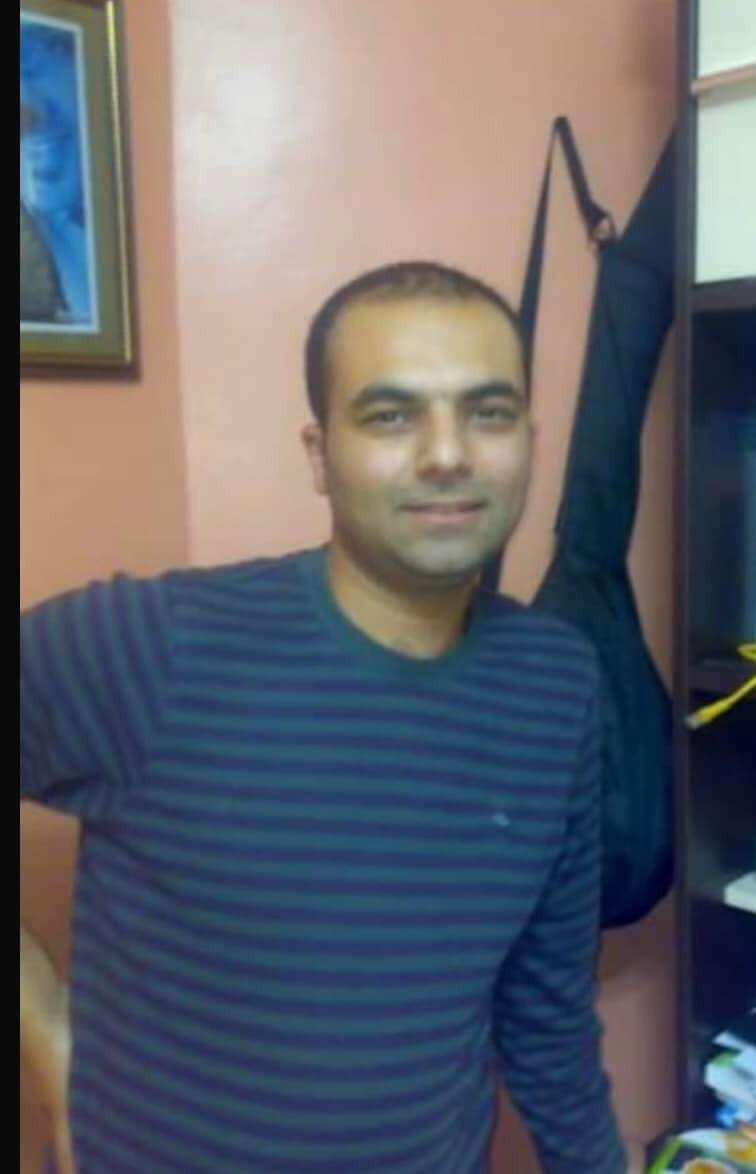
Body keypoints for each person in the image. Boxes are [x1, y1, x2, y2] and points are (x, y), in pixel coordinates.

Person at [21, 260, 627, 1173]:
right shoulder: (152, 645)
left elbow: (550, 1016)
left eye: (488, 412)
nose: (448, 454)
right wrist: (51, 1036)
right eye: (391, 415)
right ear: (319, 454)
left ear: (528, 442)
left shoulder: (557, 682)